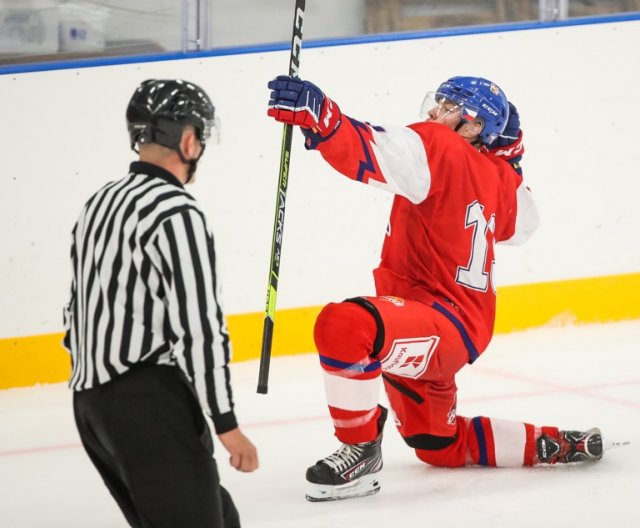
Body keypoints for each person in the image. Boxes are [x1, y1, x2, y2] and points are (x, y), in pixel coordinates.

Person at [266, 75, 603, 502]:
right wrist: (511, 160)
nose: (432, 113)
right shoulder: (502, 180)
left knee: (345, 324)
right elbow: (526, 224)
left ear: (475, 125)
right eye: (437, 103)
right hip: (443, 329)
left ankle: (360, 451)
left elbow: (373, 148)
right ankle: (553, 443)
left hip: (437, 320)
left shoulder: (439, 147)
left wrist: (322, 115)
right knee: (438, 446)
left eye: (447, 107)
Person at [63, 79, 258, 526]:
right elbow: (200, 331)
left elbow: (75, 315)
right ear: (188, 141)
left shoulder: (98, 203)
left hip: (91, 407)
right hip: (149, 407)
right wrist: (226, 424)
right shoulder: (177, 213)